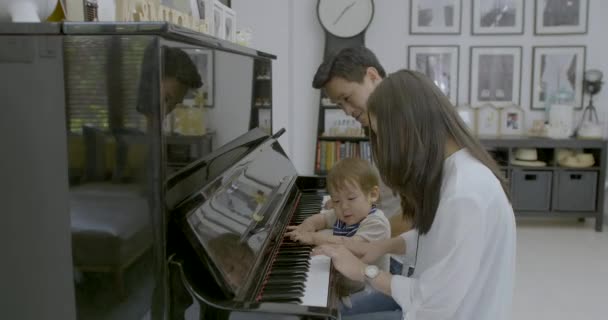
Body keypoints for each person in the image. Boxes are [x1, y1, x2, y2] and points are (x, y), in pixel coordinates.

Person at [314, 70, 516, 320]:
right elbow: (436, 239)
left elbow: (433, 303)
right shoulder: (456, 170)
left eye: (383, 135)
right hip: (432, 297)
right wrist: (381, 246)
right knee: (335, 311)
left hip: (443, 311)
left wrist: (366, 271)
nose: (385, 147)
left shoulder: (465, 194)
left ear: (407, 126)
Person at [312, 46, 406, 233]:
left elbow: (417, 217)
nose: (347, 111)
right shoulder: (377, 126)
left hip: (392, 244)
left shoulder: (406, 128)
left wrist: (355, 238)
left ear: (372, 77)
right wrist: (350, 200)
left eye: (347, 98)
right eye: (340, 105)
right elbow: (388, 196)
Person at [285, 157, 392, 313]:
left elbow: (351, 246)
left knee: (330, 314)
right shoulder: (344, 213)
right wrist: (306, 226)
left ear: (373, 194)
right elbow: (321, 219)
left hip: (368, 290)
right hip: (345, 284)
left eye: (351, 198)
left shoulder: (377, 224)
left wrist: (314, 238)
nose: (344, 207)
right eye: (336, 200)